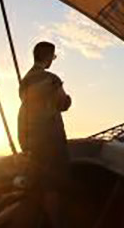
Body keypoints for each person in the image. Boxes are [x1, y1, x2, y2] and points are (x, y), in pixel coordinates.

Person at [18, 41, 71, 227]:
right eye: (53, 57)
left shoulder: (24, 81)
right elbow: (63, 103)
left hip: (28, 139)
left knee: (37, 181)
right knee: (52, 186)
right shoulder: (51, 79)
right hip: (50, 138)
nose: (52, 61)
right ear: (48, 57)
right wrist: (68, 99)